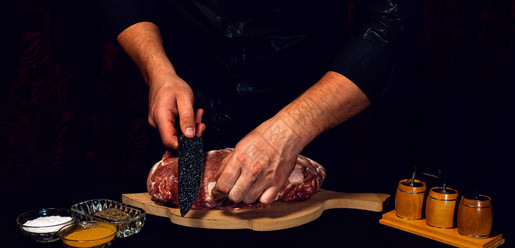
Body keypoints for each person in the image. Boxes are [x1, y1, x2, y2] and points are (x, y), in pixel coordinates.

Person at [98, 0, 405, 205]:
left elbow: (390, 23)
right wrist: (158, 70)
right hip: (189, 116)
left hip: (311, 125)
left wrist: (295, 125)